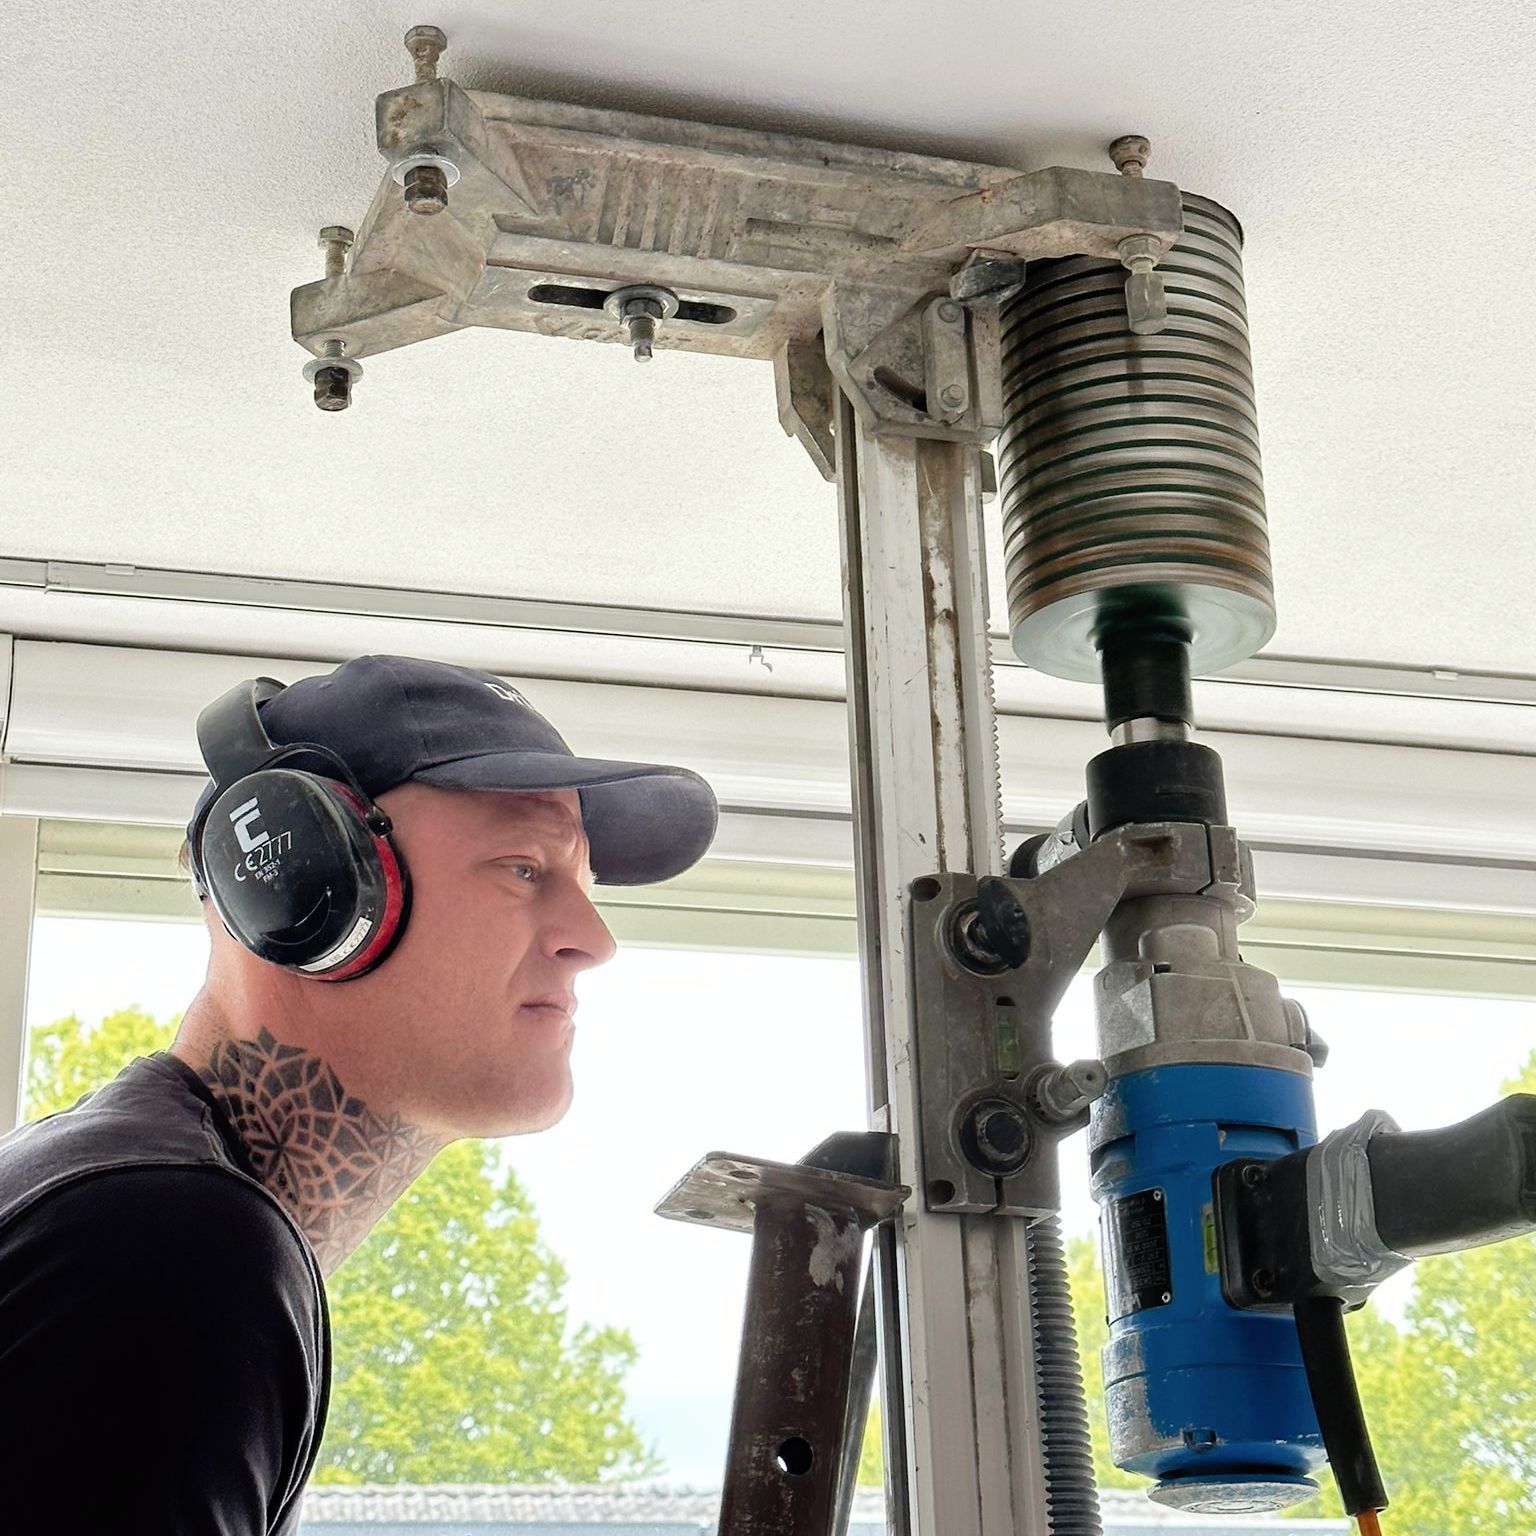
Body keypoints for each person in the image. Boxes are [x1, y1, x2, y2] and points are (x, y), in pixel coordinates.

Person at [0, 654, 718, 1533]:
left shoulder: (133, 1211)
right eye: (525, 868)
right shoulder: (162, 1249)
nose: (593, 939)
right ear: (303, 886)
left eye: (583, 883)